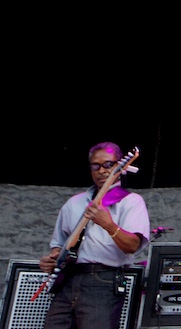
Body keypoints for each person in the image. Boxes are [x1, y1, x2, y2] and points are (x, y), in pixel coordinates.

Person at [39, 141, 151, 329]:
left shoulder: (131, 202)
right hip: (69, 278)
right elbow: (58, 244)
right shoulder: (74, 203)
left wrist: (107, 224)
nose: (102, 171)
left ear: (121, 166)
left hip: (103, 279)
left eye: (109, 164)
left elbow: (132, 245)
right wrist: (53, 259)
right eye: (96, 166)